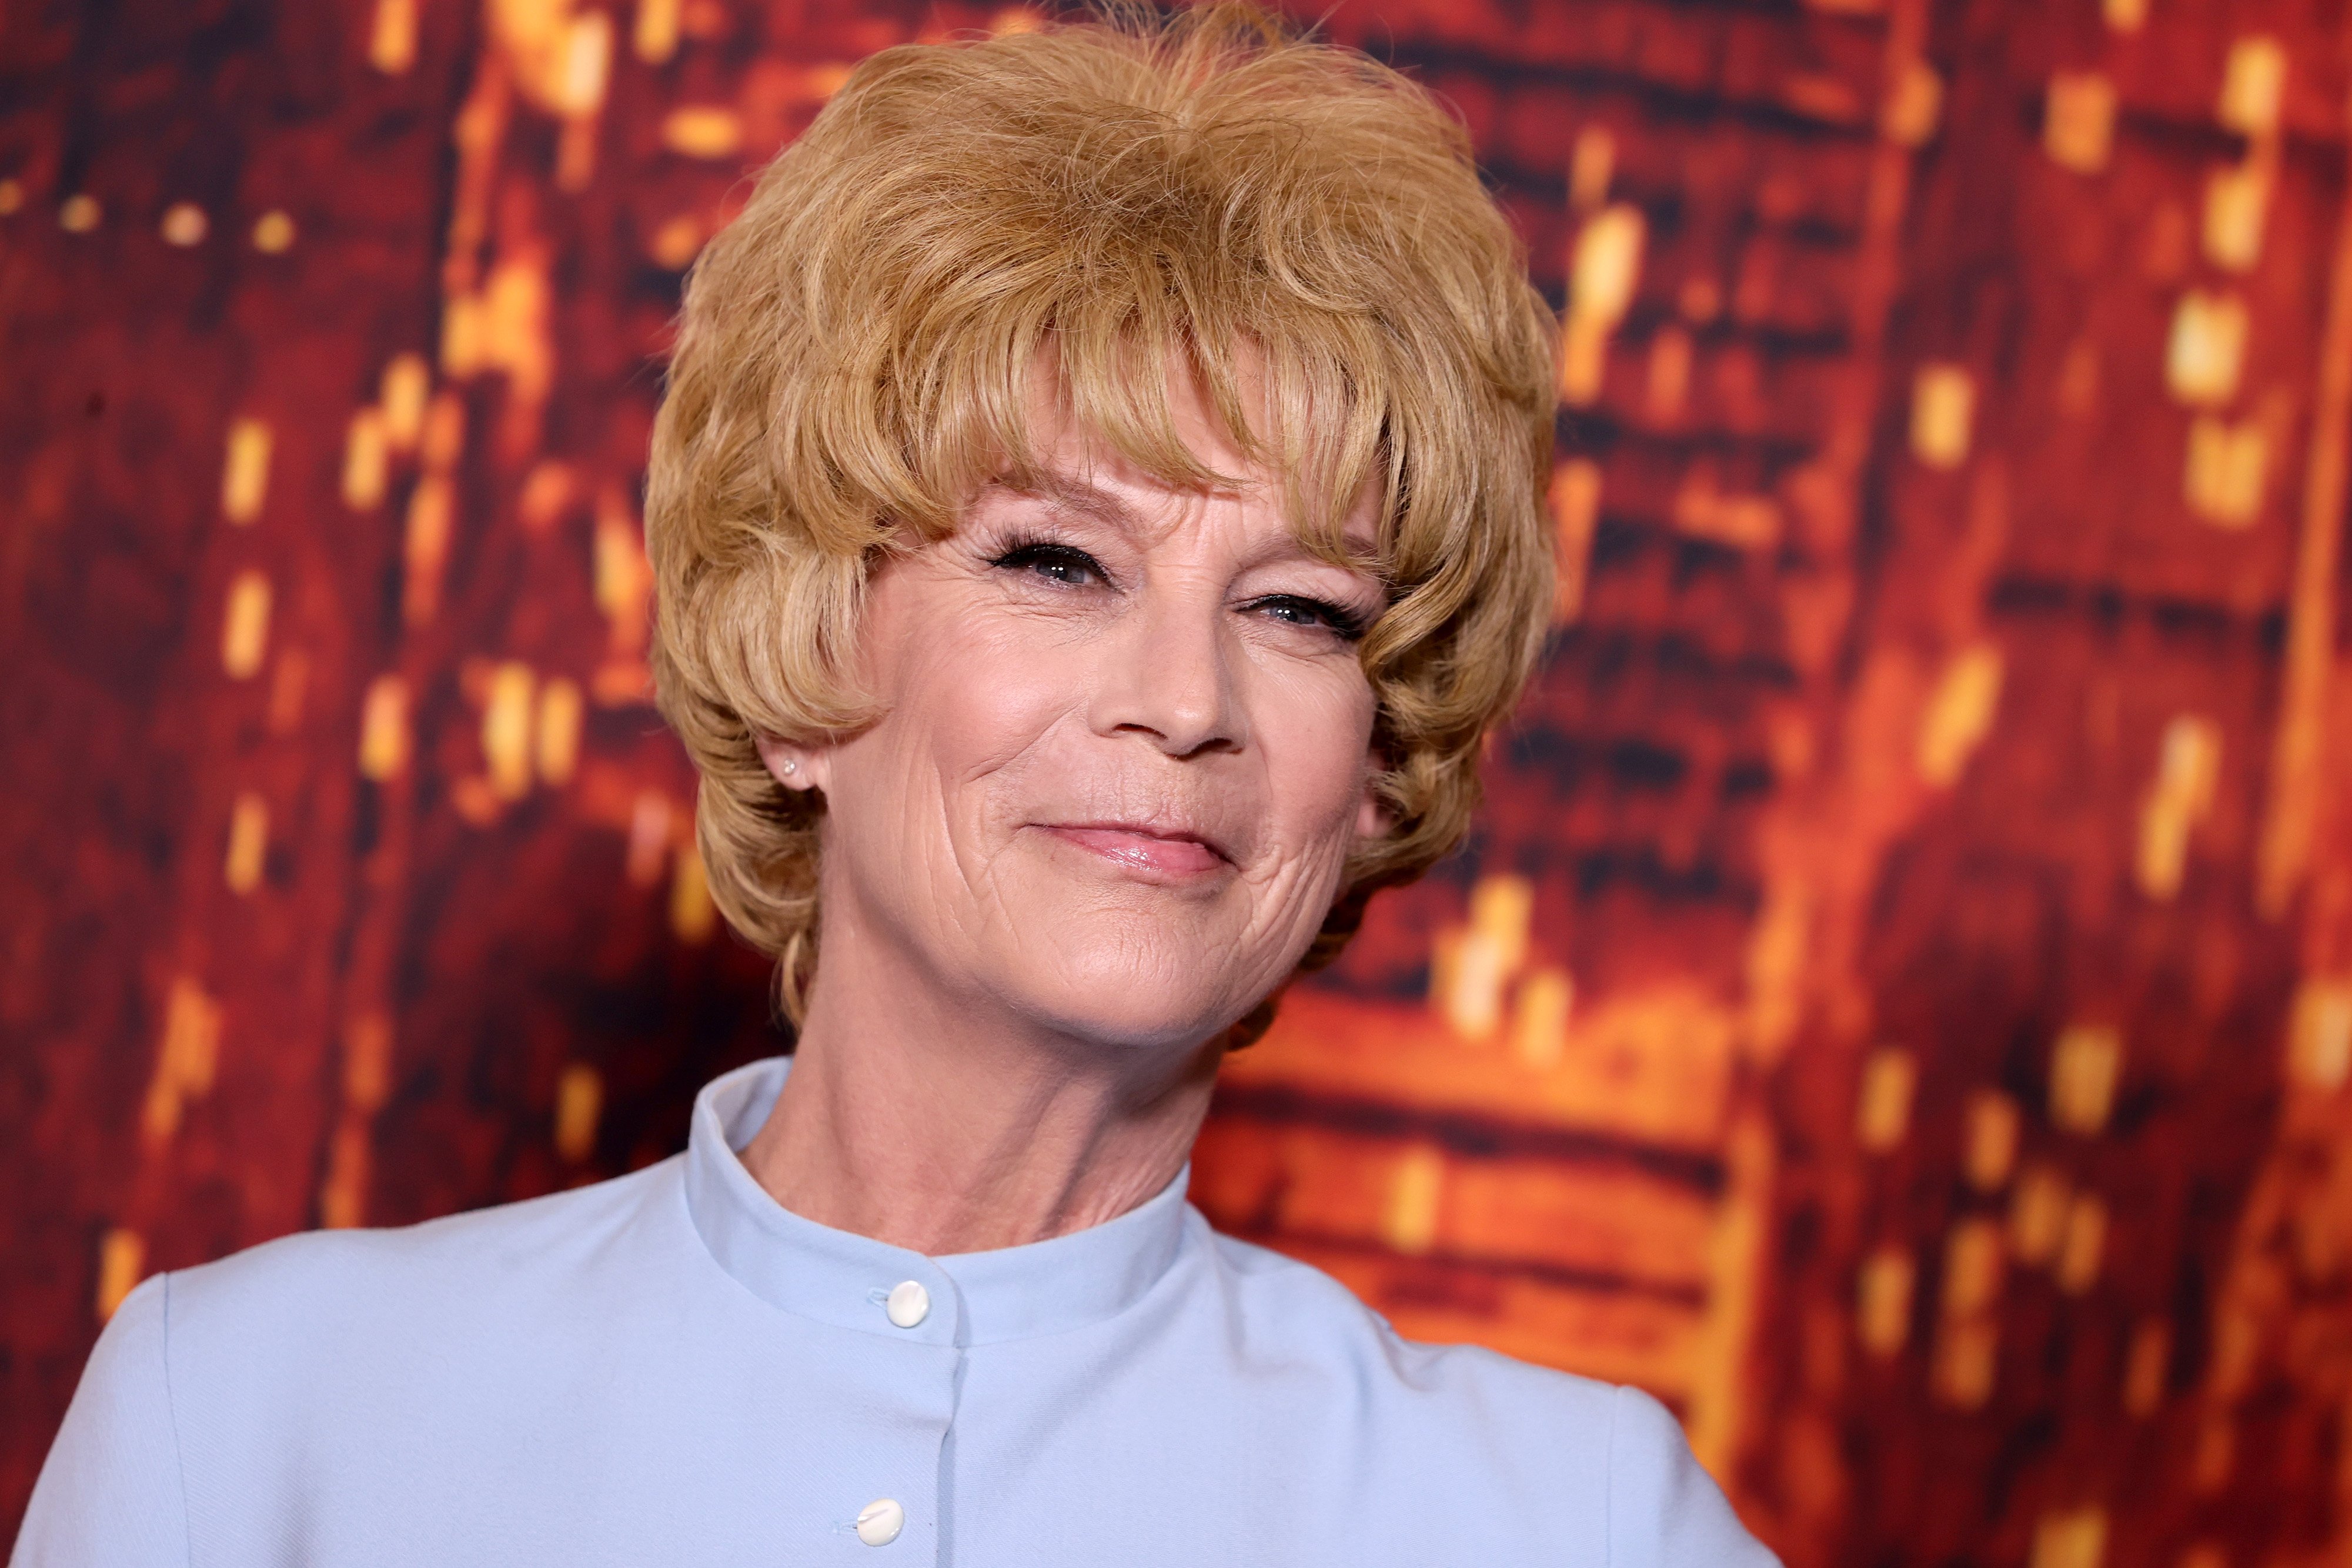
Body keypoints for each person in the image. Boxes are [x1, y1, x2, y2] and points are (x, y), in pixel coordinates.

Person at [15, 8, 1779, 1564]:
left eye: (1300, 607)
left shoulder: (1570, 1520)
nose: (1187, 703)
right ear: (801, 659)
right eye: (1056, 563)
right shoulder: (246, 1419)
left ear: (1376, 765)